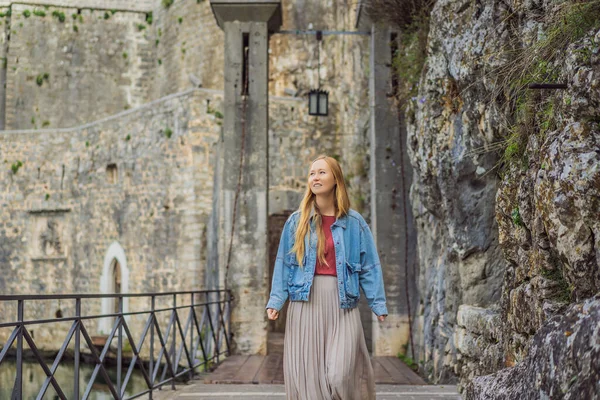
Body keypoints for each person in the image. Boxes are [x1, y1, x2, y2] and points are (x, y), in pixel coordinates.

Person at [266, 155, 388, 400]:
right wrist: (276, 300)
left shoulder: (355, 223)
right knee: (310, 377)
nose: (315, 177)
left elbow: (369, 266)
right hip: (305, 303)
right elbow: (284, 264)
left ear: (335, 179)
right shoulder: (296, 222)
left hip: (343, 304)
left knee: (340, 374)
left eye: (322, 172)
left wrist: (378, 303)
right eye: (312, 173)